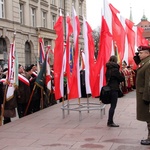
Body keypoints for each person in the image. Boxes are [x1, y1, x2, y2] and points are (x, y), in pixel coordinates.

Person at [135, 45, 150, 145]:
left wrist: (147, 97)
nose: (139, 54)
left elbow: (149, 82)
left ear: (148, 53)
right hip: (143, 94)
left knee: (149, 118)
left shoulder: (148, 64)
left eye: (141, 53)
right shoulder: (145, 63)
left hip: (146, 95)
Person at [106, 55, 124, 127]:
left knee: (111, 106)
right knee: (113, 106)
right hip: (114, 89)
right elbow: (121, 78)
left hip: (108, 88)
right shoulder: (115, 70)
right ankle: (110, 121)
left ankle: (110, 121)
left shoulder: (107, 69)